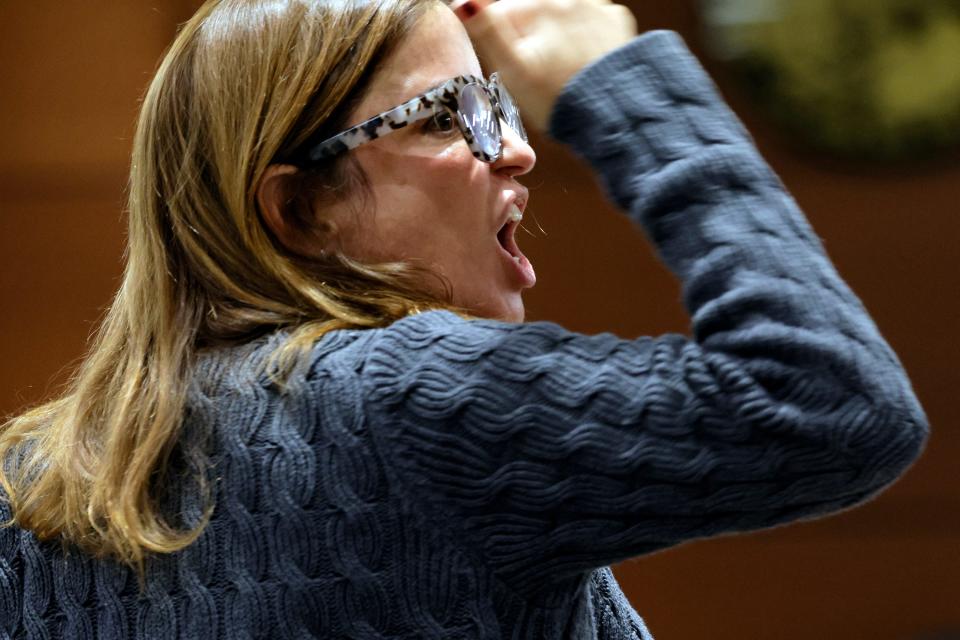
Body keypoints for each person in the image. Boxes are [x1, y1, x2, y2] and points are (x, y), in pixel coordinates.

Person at [0, 0, 928, 637]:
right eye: (451, 116)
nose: (520, 149)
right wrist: (621, 85)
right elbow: (829, 402)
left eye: (498, 102)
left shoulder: (28, 486)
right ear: (299, 210)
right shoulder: (407, 402)